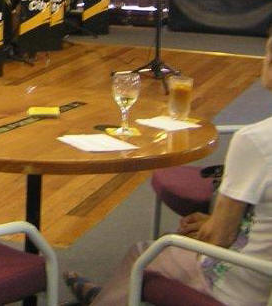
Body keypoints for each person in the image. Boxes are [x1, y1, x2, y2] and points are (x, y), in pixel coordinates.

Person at [64, 35, 272, 306]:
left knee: (144, 253)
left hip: (243, 287)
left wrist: (209, 228)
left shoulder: (255, 141)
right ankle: (111, 295)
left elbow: (219, 238)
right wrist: (211, 222)